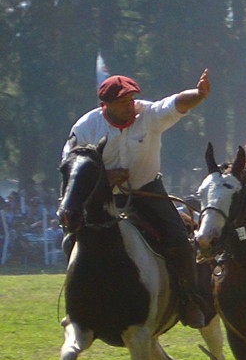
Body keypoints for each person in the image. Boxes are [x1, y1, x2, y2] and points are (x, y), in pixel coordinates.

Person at [61, 69, 212, 328]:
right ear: (104, 105)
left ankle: (189, 300)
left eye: (131, 100)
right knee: (69, 242)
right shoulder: (86, 127)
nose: (130, 107)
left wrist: (198, 94)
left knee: (180, 240)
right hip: (104, 198)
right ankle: (78, 303)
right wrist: (106, 177)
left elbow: (176, 102)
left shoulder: (149, 115)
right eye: (122, 103)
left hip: (148, 192)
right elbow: (71, 163)